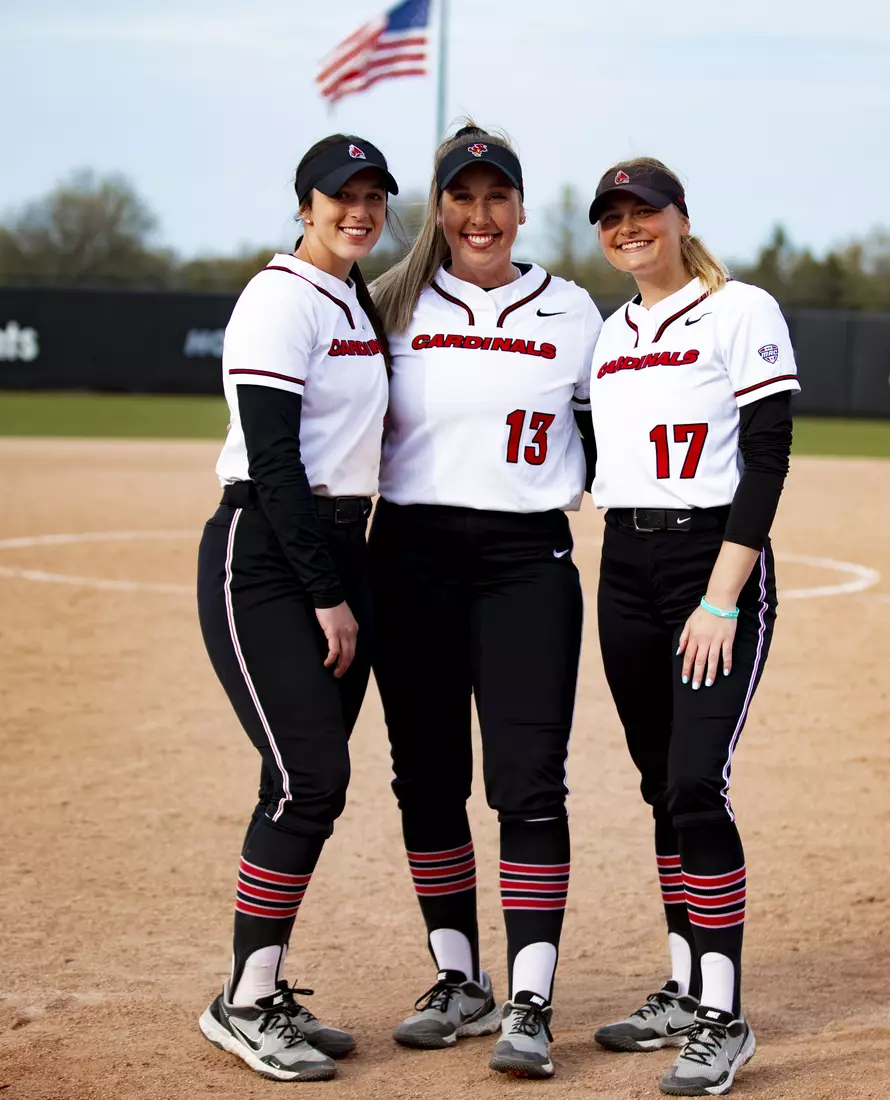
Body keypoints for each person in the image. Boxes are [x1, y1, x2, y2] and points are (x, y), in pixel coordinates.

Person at [369, 123, 602, 1079]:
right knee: (426, 778)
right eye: (461, 198)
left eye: (495, 196)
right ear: (439, 207)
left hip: (525, 561)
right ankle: (459, 979)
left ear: (519, 206)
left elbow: (617, 439)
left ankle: (532, 1000)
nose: (479, 215)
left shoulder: (575, 313)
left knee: (527, 784)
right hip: (410, 558)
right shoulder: (386, 306)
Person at [583, 159, 797, 1096]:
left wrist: (720, 597)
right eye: (613, 218)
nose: (630, 228)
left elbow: (768, 459)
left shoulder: (739, 308)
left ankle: (722, 1012)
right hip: (624, 566)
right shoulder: (610, 330)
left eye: (644, 212)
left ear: (679, 217)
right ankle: (679, 984)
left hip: (712, 565)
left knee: (697, 785)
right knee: (659, 788)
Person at [194, 134, 397, 1083]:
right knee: (305, 777)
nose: (358, 210)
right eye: (340, 196)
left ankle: (259, 985)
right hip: (270, 555)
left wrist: (348, 577)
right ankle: (241, 1003)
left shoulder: (351, 295)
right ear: (305, 204)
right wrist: (325, 592)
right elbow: (274, 458)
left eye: (372, 196)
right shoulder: (278, 297)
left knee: (309, 782)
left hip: (342, 549)